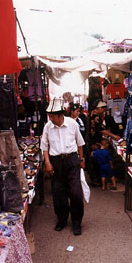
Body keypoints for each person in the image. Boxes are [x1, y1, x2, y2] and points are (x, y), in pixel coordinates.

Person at [40, 97, 85, 236]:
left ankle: (77, 222)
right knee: (59, 193)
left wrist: (81, 159)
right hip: (56, 161)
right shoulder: (48, 126)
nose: (50, 118)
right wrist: (47, 163)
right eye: (49, 116)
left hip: (72, 160)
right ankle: (62, 220)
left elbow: (80, 143)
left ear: (60, 115)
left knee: (76, 193)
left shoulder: (73, 124)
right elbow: (45, 147)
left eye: (52, 116)